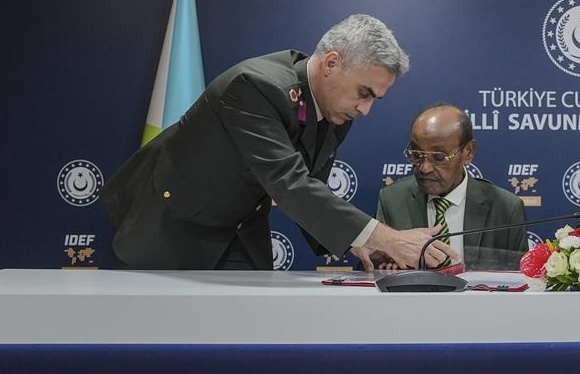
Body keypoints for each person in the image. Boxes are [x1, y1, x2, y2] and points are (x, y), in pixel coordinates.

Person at [101, 14, 456, 271]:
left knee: (248, 343)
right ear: (332, 63)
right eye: (364, 93)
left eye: (375, 99)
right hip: (171, 229)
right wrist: (388, 238)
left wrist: (361, 243)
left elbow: (312, 188)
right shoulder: (254, 86)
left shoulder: (337, 109)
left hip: (238, 230)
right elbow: (290, 184)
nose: (365, 109)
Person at [375, 104, 528, 270]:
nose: (424, 168)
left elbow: (520, 278)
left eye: (439, 157)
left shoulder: (505, 208)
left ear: (468, 152)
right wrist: (385, 268)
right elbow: (370, 266)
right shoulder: (392, 200)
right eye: (417, 155)